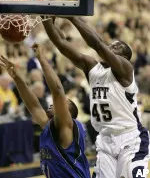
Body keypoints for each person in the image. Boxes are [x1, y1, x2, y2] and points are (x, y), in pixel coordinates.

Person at [42, 17, 150, 178]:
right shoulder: (93, 68)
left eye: (116, 47)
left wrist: (71, 16)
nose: (110, 47)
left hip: (130, 139)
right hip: (105, 139)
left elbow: (98, 45)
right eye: (110, 45)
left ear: (123, 58)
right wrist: (46, 19)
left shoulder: (125, 70)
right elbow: (61, 43)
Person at [0, 44, 91, 178]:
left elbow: (58, 91)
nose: (53, 103)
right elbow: (33, 105)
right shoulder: (49, 126)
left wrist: (42, 59)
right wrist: (17, 78)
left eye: (62, 103)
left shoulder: (67, 128)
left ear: (67, 114)